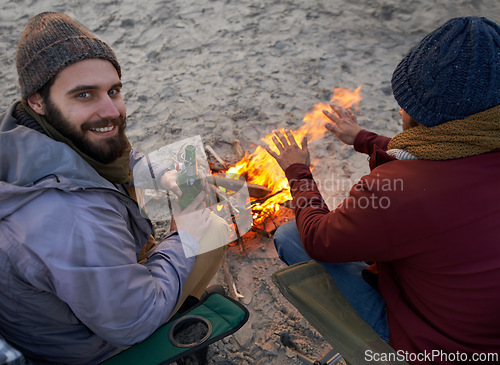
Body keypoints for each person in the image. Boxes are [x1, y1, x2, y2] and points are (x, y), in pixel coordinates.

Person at [0, 12, 230, 364]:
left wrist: (163, 174)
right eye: (84, 95)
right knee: (212, 227)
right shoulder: (73, 218)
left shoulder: (27, 139)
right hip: (97, 348)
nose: (111, 111)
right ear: (37, 100)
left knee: (184, 184)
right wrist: (184, 233)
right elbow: (132, 322)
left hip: (69, 309)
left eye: (113, 90)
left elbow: (119, 156)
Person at [268, 16, 500, 363]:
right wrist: (364, 139)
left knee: (292, 236)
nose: (400, 108)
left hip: (436, 347)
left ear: (418, 114)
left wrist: (298, 172)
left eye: (406, 101)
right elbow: (449, 155)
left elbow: (319, 238)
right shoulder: (480, 142)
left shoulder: (395, 192)